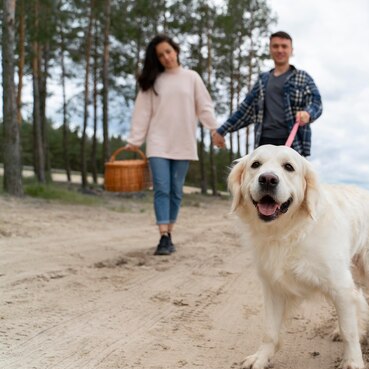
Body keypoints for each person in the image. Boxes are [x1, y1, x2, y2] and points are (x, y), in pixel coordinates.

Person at [125, 34, 225, 256]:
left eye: (168, 52)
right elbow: (142, 113)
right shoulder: (152, 82)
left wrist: (214, 130)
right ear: (157, 59)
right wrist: (134, 140)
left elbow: (204, 107)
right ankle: (163, 236)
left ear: (176, 50)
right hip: (158, 142)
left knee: (176, 190)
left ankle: (170, 232)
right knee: (161, 188)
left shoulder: (191, 78)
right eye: (161, 55)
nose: (166, 57)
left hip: (183, 142)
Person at [212, 31, 322, 157]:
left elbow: (316, 102)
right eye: (275, 46)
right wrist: (222, 131)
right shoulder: (262, 81)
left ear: (291, 50)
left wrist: (308, 113)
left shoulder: (303, 78)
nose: (280, 50)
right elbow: (244, 111)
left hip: (294, 144)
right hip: (264, 143)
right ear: (270, 49)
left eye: (284, 46)